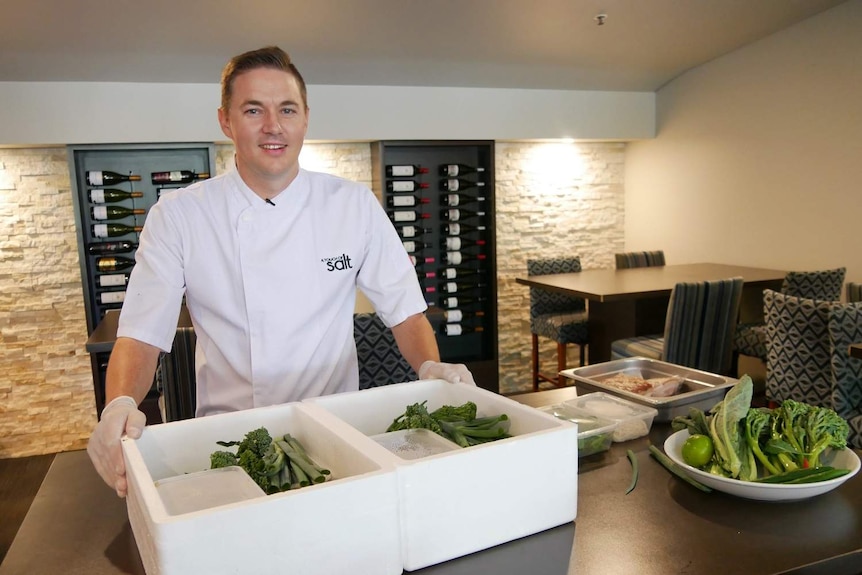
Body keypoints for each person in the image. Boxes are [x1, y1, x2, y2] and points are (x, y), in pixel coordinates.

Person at [88, 46, 475, 497]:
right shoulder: (180, 215)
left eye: (286, 109)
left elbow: (406, 311)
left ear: (305, 118)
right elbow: (142, 333)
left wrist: (430, 366)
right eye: (254, 109)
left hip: (337, 437)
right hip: (229, 442)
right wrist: (118, 404)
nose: (273, 126)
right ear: (226, 121)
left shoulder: (352, 206)